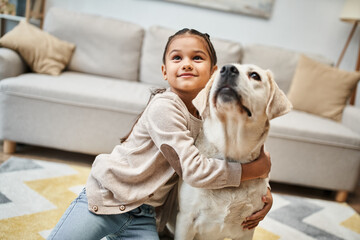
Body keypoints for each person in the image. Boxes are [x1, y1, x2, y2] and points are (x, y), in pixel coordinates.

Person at [47, 28, 273, 240]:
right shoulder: (164, 107)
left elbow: (236, 151)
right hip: (108, 198)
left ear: (214, 74)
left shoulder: (213, 115)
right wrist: (252, 171)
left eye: (197, 58)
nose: (186, 64)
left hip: (145, 216)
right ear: (164, 71)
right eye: (177, 58)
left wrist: (262, 193)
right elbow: (194, 170)